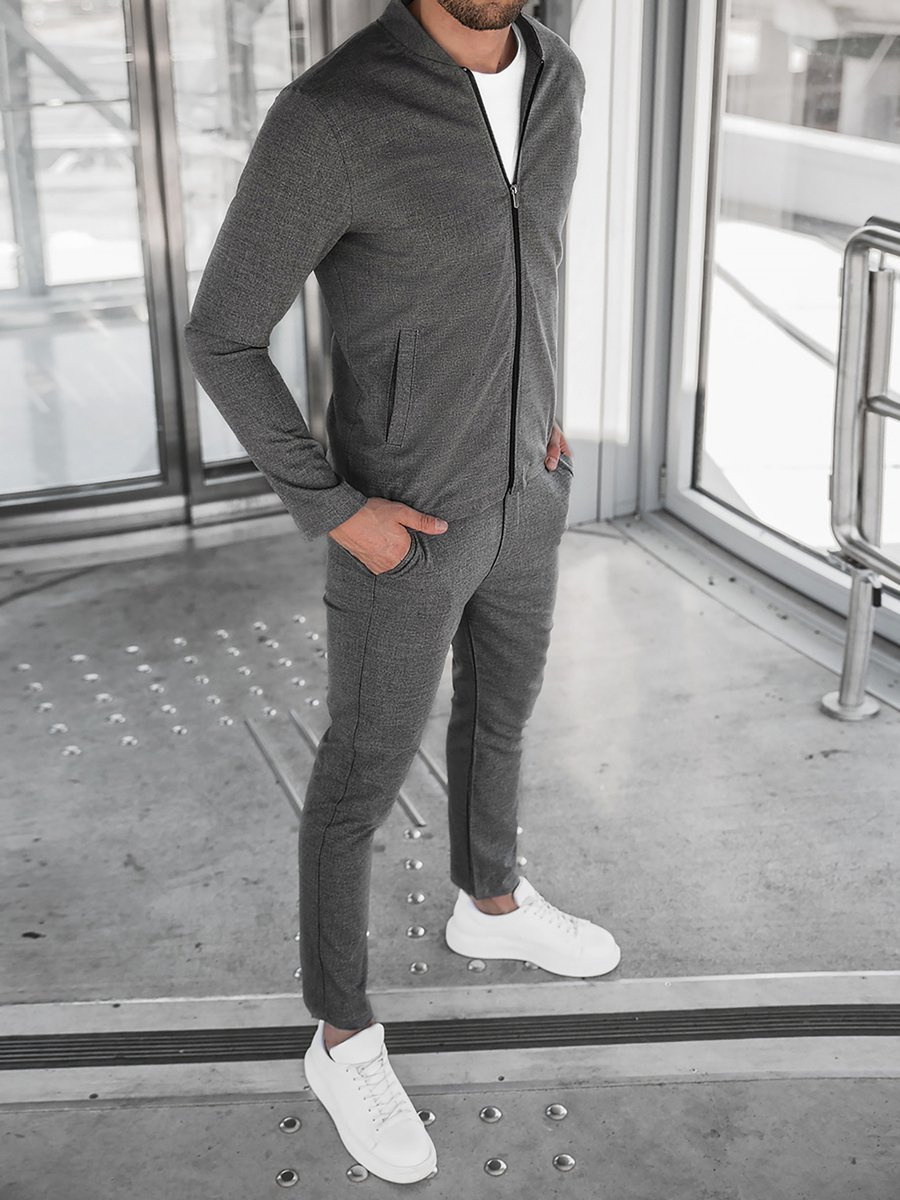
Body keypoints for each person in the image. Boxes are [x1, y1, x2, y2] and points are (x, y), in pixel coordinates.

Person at [183, 0, 621, 1184]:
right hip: (405, 528)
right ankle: (340, 1037)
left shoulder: (559, 78)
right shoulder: (333, 115)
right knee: (359, 782)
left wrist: (543, 415)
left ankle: (491, 902)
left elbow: (530, 263)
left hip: (528, 494)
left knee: (502, 716)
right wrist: (334, 508)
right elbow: (223, 333)